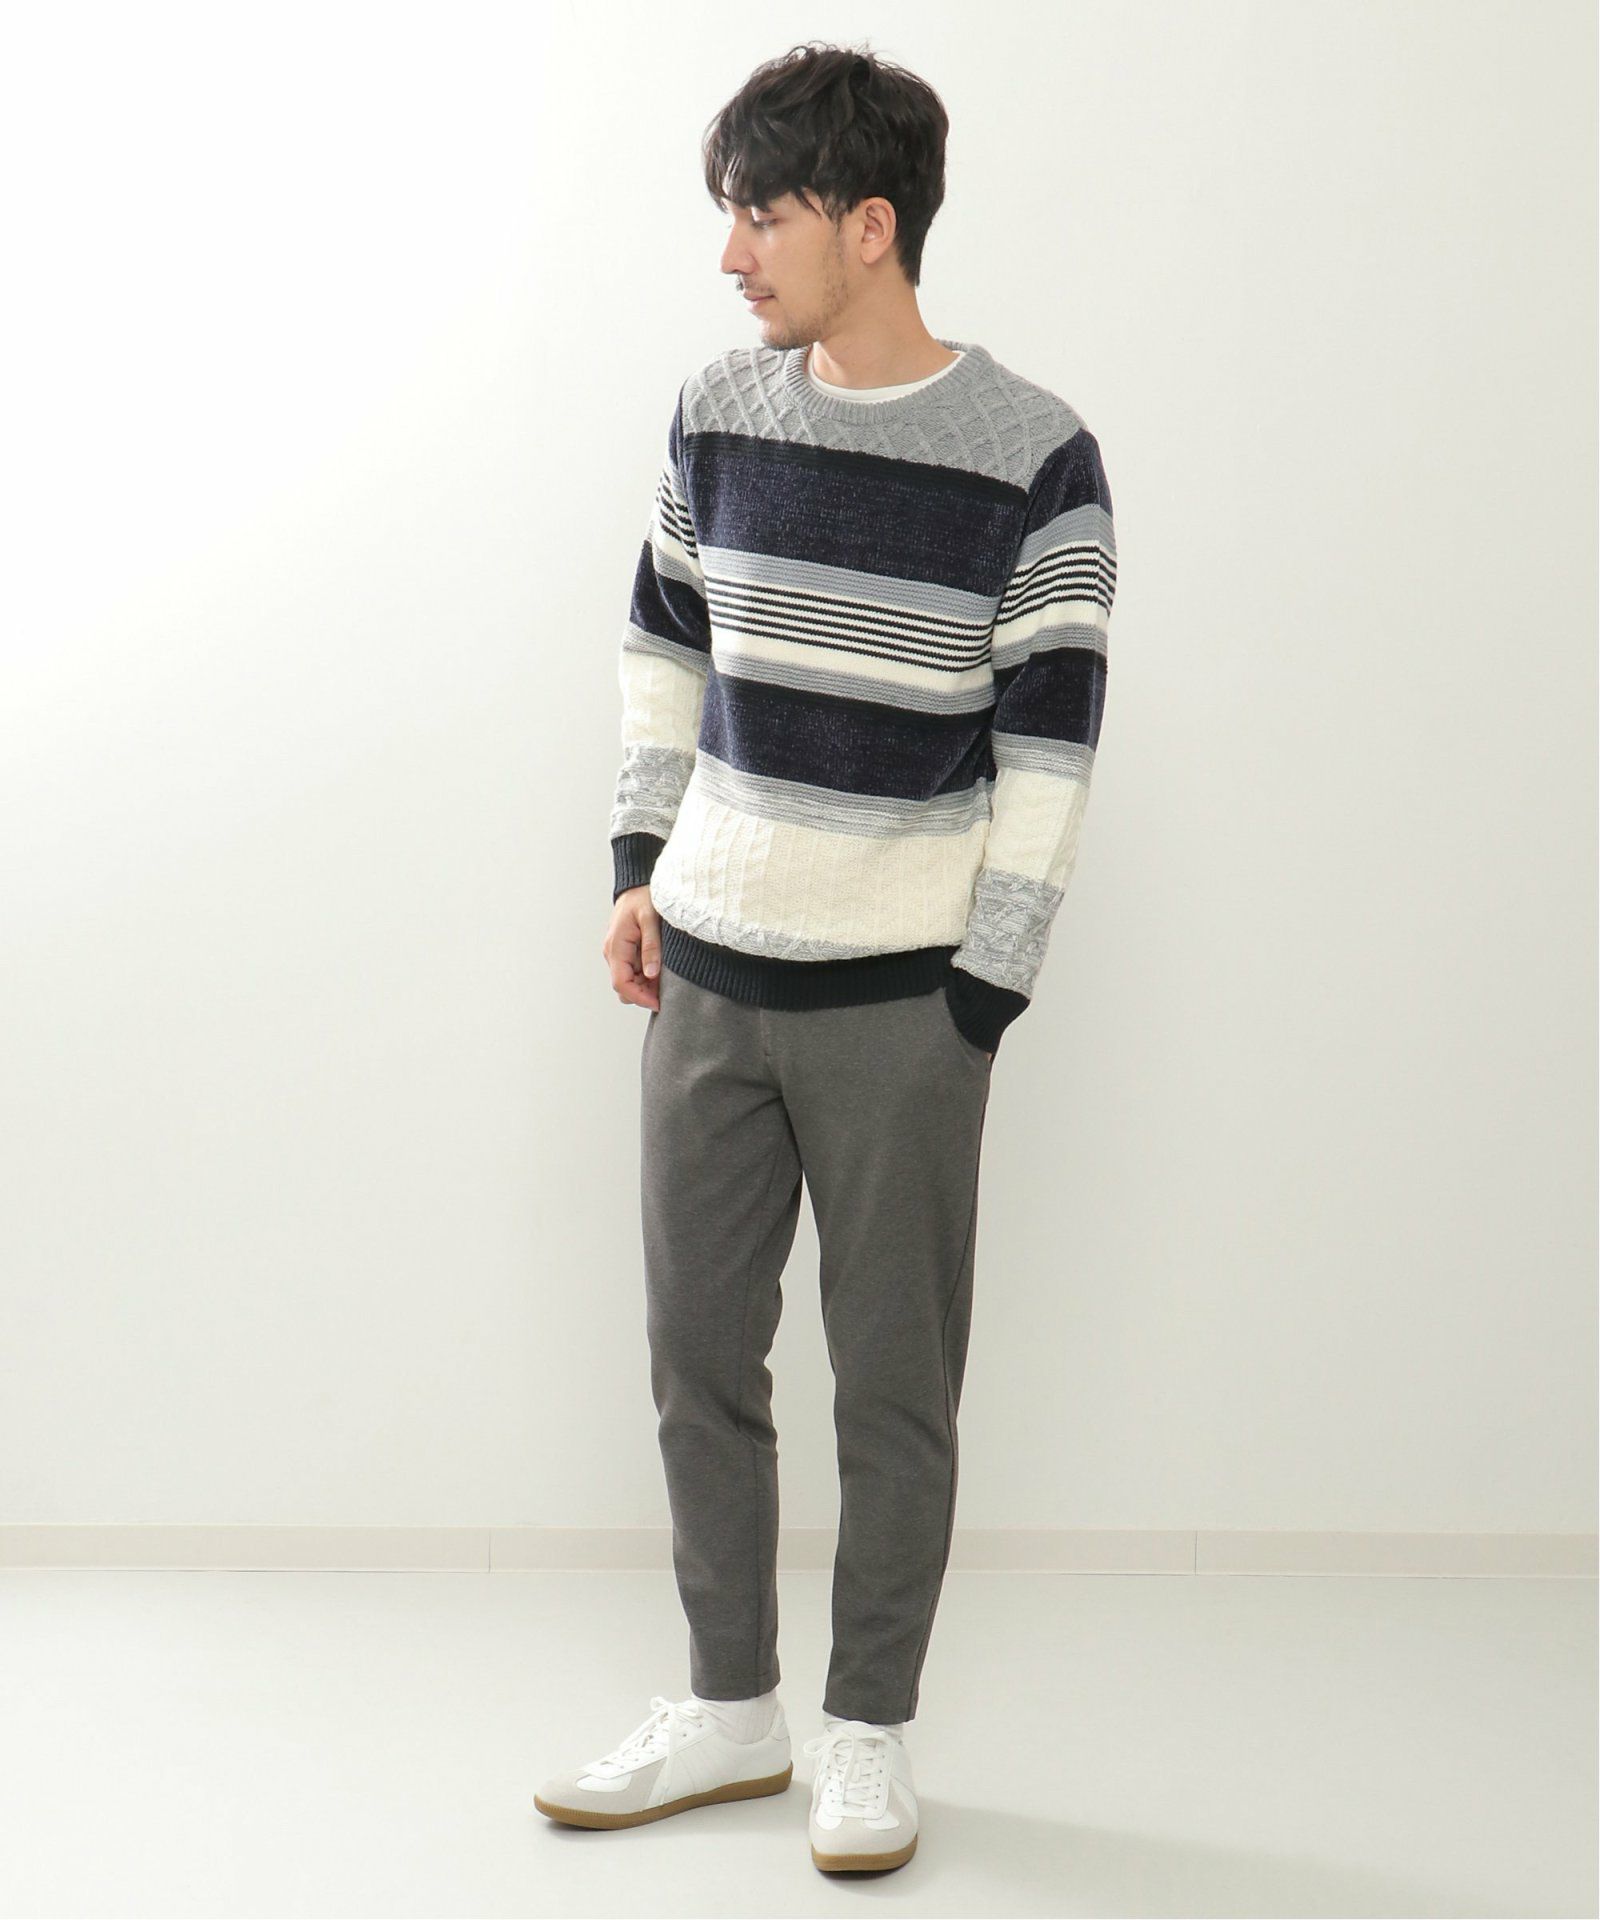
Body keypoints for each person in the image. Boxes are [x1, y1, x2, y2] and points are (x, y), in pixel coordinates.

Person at [535, 39, 1117, 1876]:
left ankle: (868, 1734)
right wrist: (638, 865)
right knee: (696, 1356)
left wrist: (981, 996)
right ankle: (731, 1710)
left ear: (871, 227)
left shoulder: (1034, 457)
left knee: (894, 1388)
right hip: (707, 976)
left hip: (900, 1007)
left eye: (762, 216)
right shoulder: (717, 411)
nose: (732, 254)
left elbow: (1050, 745)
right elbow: (662, 647)